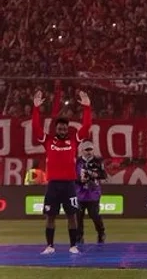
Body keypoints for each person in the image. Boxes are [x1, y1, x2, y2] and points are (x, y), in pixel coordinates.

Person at [32, 89, 92, 255]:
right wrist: (35, 108)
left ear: (67, 129)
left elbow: (87, 126)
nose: (63, 131)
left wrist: (87, 107)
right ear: (56, 129)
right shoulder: (48, 140)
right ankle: (50, 246)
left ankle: (73, 246)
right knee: (50, 216)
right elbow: (35, 128)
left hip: (69, 185)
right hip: (53, 185)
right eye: (60, 129)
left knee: (72, 216)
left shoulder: (73, 140)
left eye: (65, 129)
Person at [75, 141, 107, 246]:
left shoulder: (98, 161)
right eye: (86, 150)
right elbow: (73, 176)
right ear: (82, 151)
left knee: (94, 215)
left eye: (90, 149)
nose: (89, 152)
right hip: (80, 193)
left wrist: (93, 174)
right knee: (78, 217)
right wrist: (80, 180)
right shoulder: (77, 161)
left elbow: (104, 175)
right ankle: (79, 237)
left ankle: (101, 233)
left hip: (93, 193)